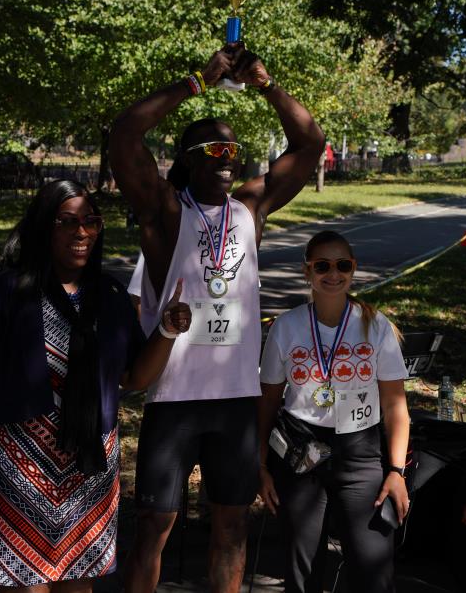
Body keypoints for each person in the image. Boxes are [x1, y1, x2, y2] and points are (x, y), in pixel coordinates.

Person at [109, 46, 325, 593]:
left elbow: (310, 144)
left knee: (232, 528)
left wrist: (266, 85)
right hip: (174, 399)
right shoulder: (165, 211)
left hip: (236, 401)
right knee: (154, 528)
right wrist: (194, 83)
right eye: (215, 149)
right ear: (188, 160)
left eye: (234, 149)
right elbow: (125, 135)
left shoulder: (250, 207)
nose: (229, 158)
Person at [0, 179, 191, 591]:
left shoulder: (109, 294)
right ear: (43, 226)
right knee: (25, 584)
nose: (82, 232)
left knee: (78, 585)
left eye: (91, 221)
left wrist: (166, 330)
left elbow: (133, 377)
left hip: (89, 472)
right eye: (67, 221)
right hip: (17, 468)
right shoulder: (8, 291)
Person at [256, 230, 410, 593]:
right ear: (307, 271)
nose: (333, 273)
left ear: (353, 269)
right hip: (301, 453)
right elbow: (267, 402)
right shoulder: (286, 326)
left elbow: (395, 407)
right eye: (322, 266)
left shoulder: (376, 325)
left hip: (360, 452)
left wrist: (396, 471)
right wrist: (259, 464)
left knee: (373, 571)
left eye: (343, 265)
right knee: (303, 572)